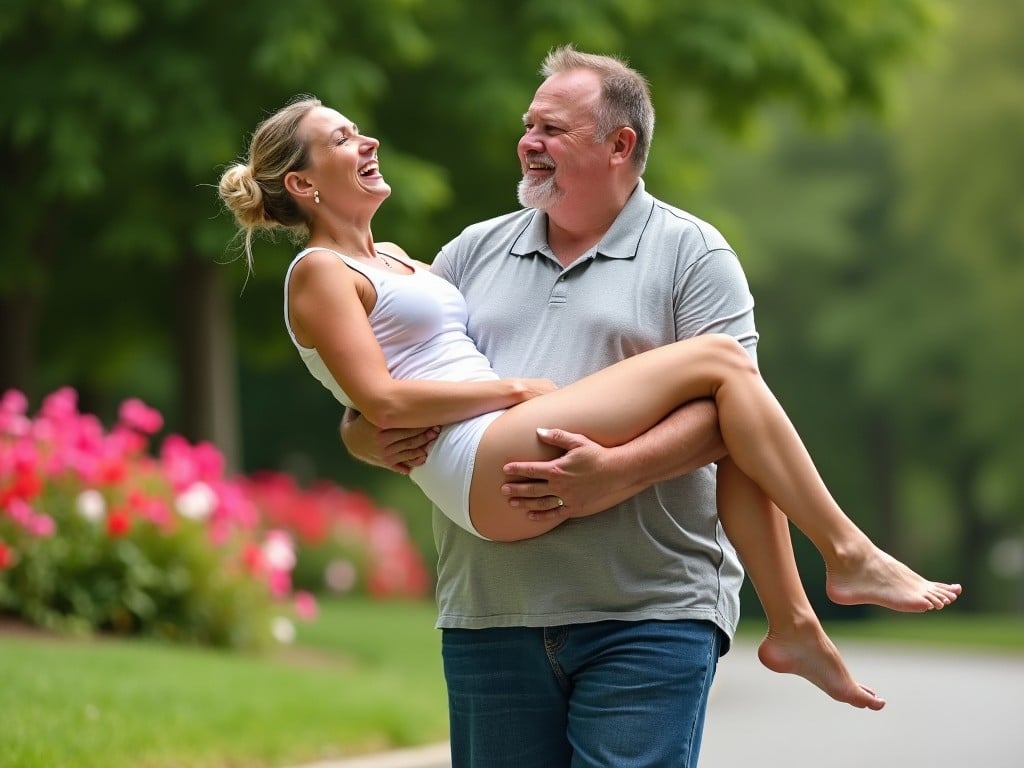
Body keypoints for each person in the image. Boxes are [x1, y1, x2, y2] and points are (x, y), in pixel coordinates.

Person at [219, 48, 960, 767]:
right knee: (721, 365)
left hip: (646, 611)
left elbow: (739, 423)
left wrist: (618, 472)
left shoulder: (690, 253)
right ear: (305, 185)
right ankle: (824, 581)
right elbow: (376, 391)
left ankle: (821, 590)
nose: (528, 142)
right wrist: (366, 434)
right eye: (529, 123)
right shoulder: (467, 252)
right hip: (491, 607)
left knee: (728, 371)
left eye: (551, 129)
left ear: (619, 144)